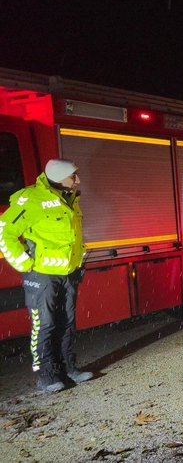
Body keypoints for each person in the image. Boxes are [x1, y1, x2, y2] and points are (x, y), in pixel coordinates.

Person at [0, 159, 93, 392]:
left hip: (68, 274)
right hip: (42, 276)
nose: (78, 180)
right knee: (45, 325)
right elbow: (5, 231)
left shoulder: (68, 199)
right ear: (59, 176)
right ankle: (46, 376)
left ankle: (68, 369)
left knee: (66, 322)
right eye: (74, 176)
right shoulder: (32, 200)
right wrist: (24, 263)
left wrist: (78, 264)